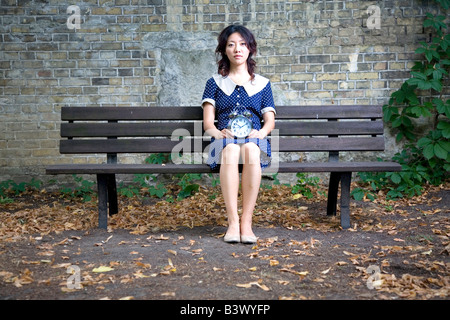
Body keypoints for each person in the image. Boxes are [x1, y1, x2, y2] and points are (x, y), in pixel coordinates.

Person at [201, 25, 276, 244]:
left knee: (252, 149)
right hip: (223, 142)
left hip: (254, 139)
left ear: (250, 49)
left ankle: (247, 223)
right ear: (224, 50)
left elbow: (269, 121)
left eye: (243, 44)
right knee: (232, 149)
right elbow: (208, 123)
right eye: (231, 44)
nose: (237, 49)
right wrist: (218, 133)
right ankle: (233, 222)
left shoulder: (262, 84)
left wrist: (260, 133)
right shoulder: (214, 83)